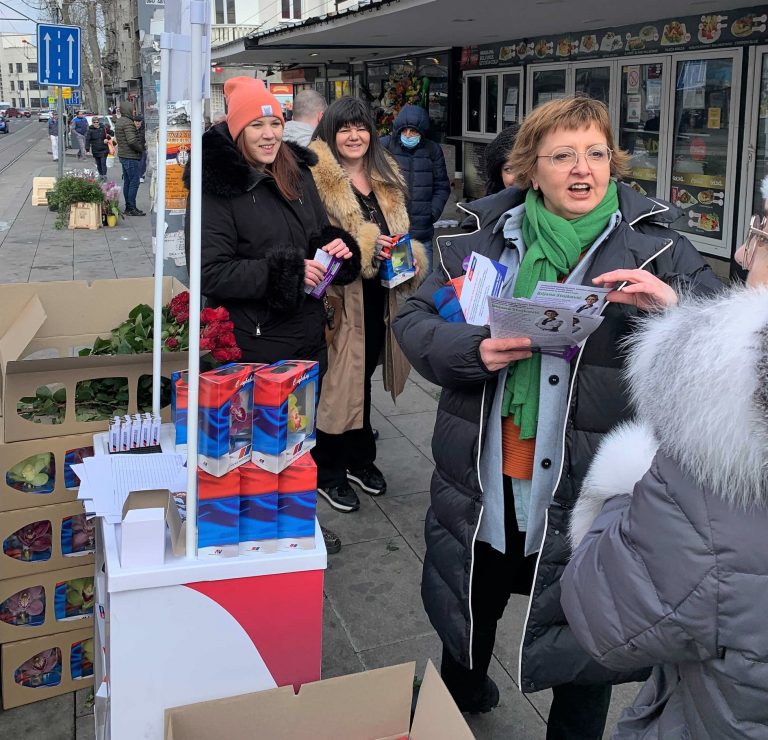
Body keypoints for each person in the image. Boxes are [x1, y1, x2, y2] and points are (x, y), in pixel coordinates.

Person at [392, 96, 721, 732]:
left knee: (586, 634)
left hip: (589, 489)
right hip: (494, 475)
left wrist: (675, 306)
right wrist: (473, 348)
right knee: (472, 599)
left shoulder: (658, 246)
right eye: (563, 154)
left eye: (596, 153)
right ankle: (459, 697)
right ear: (529, 169)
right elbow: (414, 319)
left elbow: (727, 353)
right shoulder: (483, 239)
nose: (583, 168)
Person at [561, 210, 768, 739]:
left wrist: (622, 486)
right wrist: (684, 322)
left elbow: (602, 613)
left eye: (758, 236)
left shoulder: (712, 475)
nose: (743, 255)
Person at [189, 77, 361, 555]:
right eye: (256, 124)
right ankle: (256, 532)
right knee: (258, 448)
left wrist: (332, 248)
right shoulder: (218, 186)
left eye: (274, 122)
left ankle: (297, 522)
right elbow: (211, 272)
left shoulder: (295, 170)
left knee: (298, 443)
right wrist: (287, 272)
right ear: (236, 129)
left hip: (305, 335)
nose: (268, 134)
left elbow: (308, 235)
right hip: (256, 344)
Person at [308, 96, 427, 513]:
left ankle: (360, 458)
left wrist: (407, 256)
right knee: (338, 382)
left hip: (383, 294)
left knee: (365, 374)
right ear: (330, 133)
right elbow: (313, 239)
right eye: (345, 128)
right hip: (340, 298)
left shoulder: (385, 174)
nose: (354, 136)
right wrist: (361, 249)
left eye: (361, 128)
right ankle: (328, 470)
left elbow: (402, 229)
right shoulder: (315, 179)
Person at [380, 104, 450, 276]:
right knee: (398, 280)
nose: (408, 135)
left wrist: (431, 213)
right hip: (394, 233)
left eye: (413, 131)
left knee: (424, 282)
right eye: (405, 131)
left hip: (422, 231)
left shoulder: (432, 150)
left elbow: (442, 186)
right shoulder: (385, 146)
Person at [114, 100, 145, 216]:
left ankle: (129, 207)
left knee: (127, 182)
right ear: (128, 110)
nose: (134, 111)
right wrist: (140, 149)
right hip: (130, 156)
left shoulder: (120, 121)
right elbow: (132, 141)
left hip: (124, 155)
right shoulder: (128, 123)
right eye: (132, 109)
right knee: (134, 182)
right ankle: (131, 207)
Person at [484, 124, 520, 195]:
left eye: (524, 167)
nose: (517, 177)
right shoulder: (489, 204)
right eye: (509, 169)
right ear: (500, 173)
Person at [85, 114, 112, 180]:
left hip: (104, 149)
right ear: (92, 123)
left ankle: (104, 175)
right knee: (98, 163)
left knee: (103, 163)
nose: (96, 123)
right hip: (95, 149)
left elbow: (112, 133)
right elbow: (87, 140)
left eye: (97, 122)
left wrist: (107, 139)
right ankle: (101, 174)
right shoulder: (90, 130)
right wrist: (87, 150)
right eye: (94, 122)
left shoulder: (103, 128)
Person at [135, 114, 147, 183]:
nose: (137, 123)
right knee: (136, 163)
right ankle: (137, 175)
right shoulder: (131, 130)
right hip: (134, 149)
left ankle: (141, 176)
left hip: (142, 149)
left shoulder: (144, 130)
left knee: (142, 163)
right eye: (136, 121)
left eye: (139, 121)